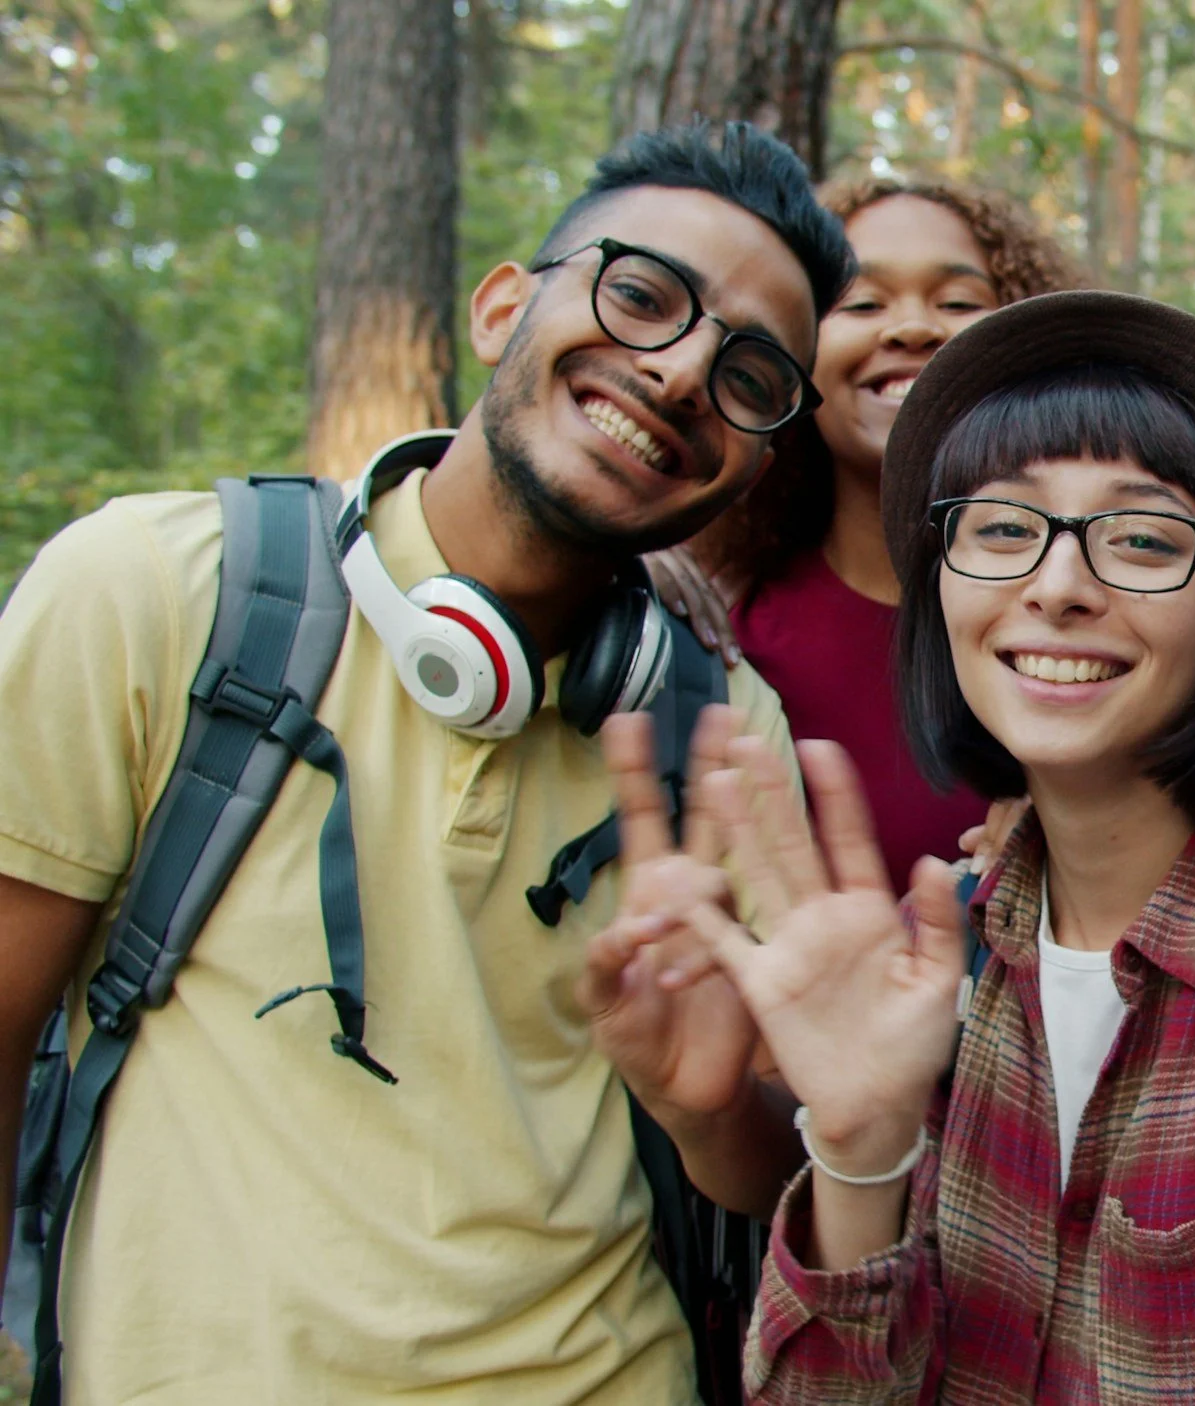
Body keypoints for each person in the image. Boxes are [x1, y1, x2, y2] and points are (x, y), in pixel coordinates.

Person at [0, 121, 843, 1402]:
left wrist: (706, 1104)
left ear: (755, 461)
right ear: (505, 302)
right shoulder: (154, 592)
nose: (679, 374)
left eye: (749, 376)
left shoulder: (722, 729)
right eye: (642, 295)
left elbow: (774, 1171)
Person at [597, 290, 1195, 1403]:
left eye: (1139, 538)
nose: (1058, 586)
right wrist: (856, 1145)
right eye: (1000, 528)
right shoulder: (954, 937)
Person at [648, 177, 1082, 891]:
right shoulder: (710, 622)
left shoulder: (1099, 628)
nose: (911, 328)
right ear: (789, 359)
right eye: (863, 303)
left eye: (958, 303)